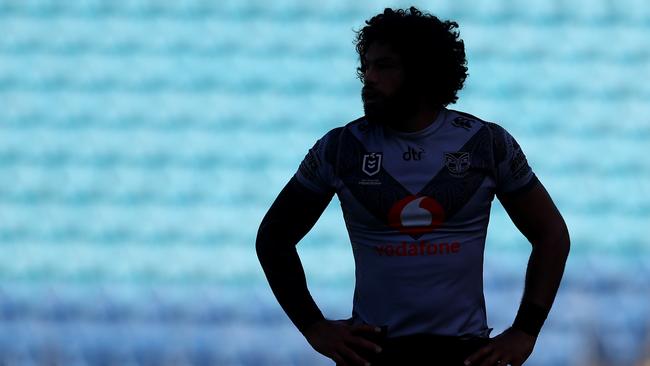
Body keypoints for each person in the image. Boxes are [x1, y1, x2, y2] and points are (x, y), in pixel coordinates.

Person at [256, 6, 570, 366]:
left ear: (422, 72)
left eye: (384, 66)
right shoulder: (341, 148)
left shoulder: (486, 144)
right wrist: (314, 327)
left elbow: (552, 235)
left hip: (464, 353)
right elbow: (273, 237)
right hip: (375, 352)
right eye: (366, 66)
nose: (368, 78)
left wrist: (526, 331)